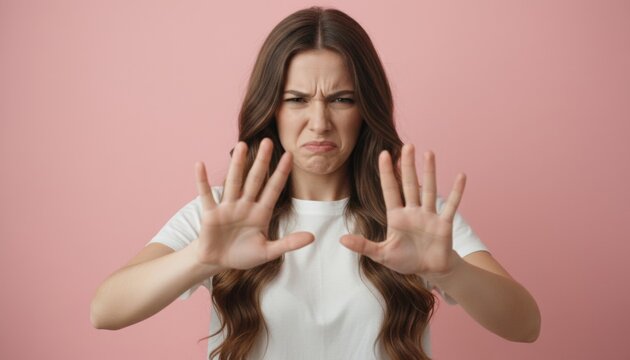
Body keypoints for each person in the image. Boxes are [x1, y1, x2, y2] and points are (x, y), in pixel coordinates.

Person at [90, 6, 541, 360]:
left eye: (342, 99)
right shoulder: (226, 213)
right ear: (272, 109)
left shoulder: (415, 215)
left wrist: (450, 271)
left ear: (366, 109)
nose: (320, 122)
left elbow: (525, 325)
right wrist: (200, 258)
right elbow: (105, 310)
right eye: (297, 99)